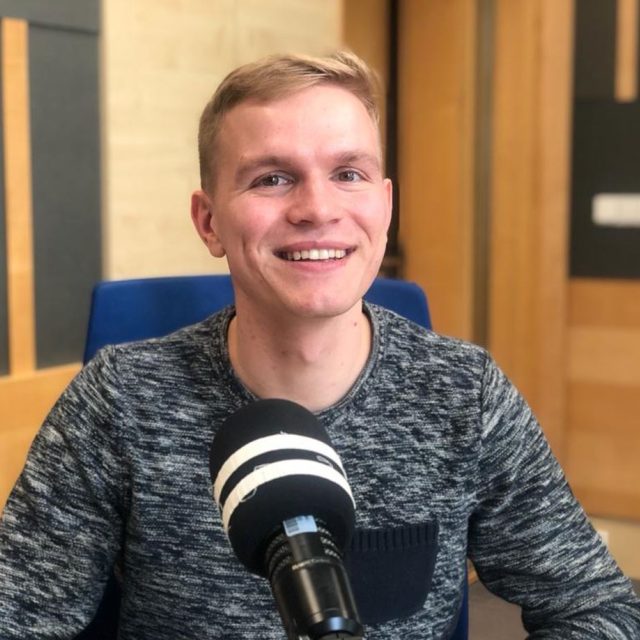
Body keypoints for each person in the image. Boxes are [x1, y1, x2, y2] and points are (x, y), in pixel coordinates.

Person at [1, 51, 639, 640]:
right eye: (273, 178)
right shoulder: (119, 399)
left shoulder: (465, 395)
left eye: (348, 173)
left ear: (384, 208)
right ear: (209, 221)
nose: (317, 208)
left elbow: (597, 608)